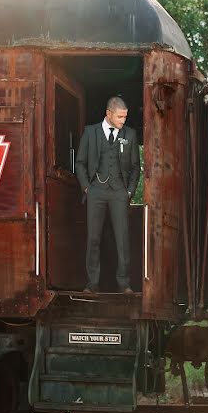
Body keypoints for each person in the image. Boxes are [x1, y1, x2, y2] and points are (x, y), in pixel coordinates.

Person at [75, 96, 141, 294]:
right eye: (120, 117)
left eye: (125, 117)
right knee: (93, 238)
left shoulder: (130, 134)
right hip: (96, 191)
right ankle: (91, 284)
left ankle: (124, 283)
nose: (123, 121)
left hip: (119, 192)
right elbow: (80, 163)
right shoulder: (90, 132)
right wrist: (87, 187)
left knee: (123, 238)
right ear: (109, 114)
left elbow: (136, 167)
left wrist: (129, 191)